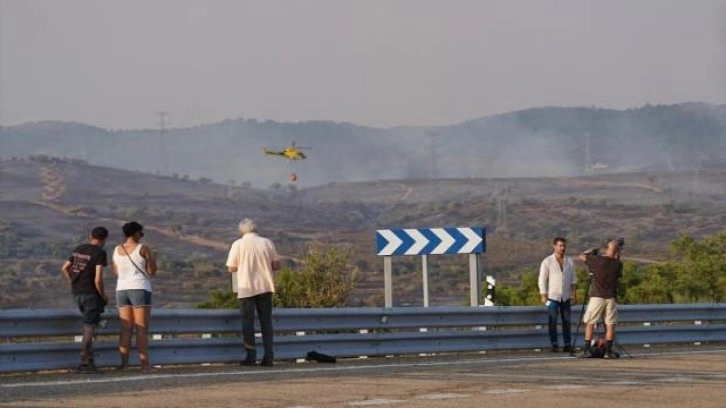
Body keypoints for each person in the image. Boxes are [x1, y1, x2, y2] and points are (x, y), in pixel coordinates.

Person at [226, 218, 280, 367]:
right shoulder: (267, 243)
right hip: (265, 286)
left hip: (246, 287)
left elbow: (231, 267)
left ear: (242, 230)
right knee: (266, 323)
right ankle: (268, 356)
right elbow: (276, 265)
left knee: (247, 323)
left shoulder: (237, 244)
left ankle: (251, 356)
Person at [60, 226, 110, 374]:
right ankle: (83, 361)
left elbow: (64, 268)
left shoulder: (80, 248)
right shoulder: (100, 253)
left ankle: (90, 361)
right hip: (91, 294)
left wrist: (72, 282)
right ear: (105, 239)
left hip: (77, 293)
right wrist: (104, 296)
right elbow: (98, 279)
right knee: (89, 328)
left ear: (91, 236)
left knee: (90, 325)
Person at [112, 221, 157, 371]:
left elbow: (116, 272)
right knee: (141, 328)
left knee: (126, 329)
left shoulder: (117, 249)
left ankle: (123, 363)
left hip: (121, 289)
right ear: (135, 233)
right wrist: (151, 258)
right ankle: (144, 364)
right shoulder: (142, 248)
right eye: (141, 233)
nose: (142, 235)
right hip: (139, 287)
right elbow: (152, 271)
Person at [578, 239, 623, 359]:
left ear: (607, 248)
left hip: (597, 296)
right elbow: (617, 273)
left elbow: (582, 256)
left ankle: (587, 349)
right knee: (610, 324)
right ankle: (608, 351)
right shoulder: (618, 264)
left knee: (590, 322)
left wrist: (592, 251)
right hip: (611, 297)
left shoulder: (598, 260)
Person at [538, 237, 577, 352]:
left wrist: (573, 294)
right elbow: (542, 279)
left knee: (567, 321)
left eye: (564, 246)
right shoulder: (547, 261)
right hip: (552, 296)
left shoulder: (569, 261)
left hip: (565, 296)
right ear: (554, 246)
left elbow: (573, 279)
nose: (562, 248)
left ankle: (567, 344)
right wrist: (543, 294)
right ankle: (554, 344)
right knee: (553, 321)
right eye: (560, 246)